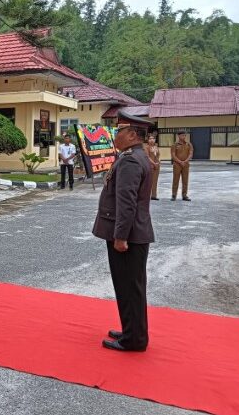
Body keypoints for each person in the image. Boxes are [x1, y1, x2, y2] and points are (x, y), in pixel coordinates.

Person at [93, 110, 155, 352]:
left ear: (131, 135)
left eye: (119, 131)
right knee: (130, 286)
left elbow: (126, 202)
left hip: (128, 237)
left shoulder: (130, 160)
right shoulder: (138, 156)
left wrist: (120, 236)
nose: (115, 136)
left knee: (129, 287)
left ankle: (134, 339)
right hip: (135, 233)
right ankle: (132, 331)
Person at [170, 130, 193, 201]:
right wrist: (180, 162)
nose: (184, 136)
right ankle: (174, 195)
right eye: (182, 135)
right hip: (177, 165)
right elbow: (173, 155)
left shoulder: (189, 144)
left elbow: (190, 154)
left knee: (185, 180)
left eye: (184, 135)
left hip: (186, 165)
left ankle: (184, 195)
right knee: (175, 180)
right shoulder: (175, 145)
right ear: (178, 136)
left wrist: (185, 161)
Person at [144, 133, 161, 200]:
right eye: (150, 139)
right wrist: (154, 163)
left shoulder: (156, 147)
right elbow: (147, 157)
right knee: (148, 182)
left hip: (156, 166)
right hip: (150, 166)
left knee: (155, 181)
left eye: (153, 139)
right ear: (148, 140)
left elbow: (158, 155)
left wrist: (159, 161)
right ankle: (146, 195)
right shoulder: (146, 147)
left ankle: (154, 195)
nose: (152, 140)